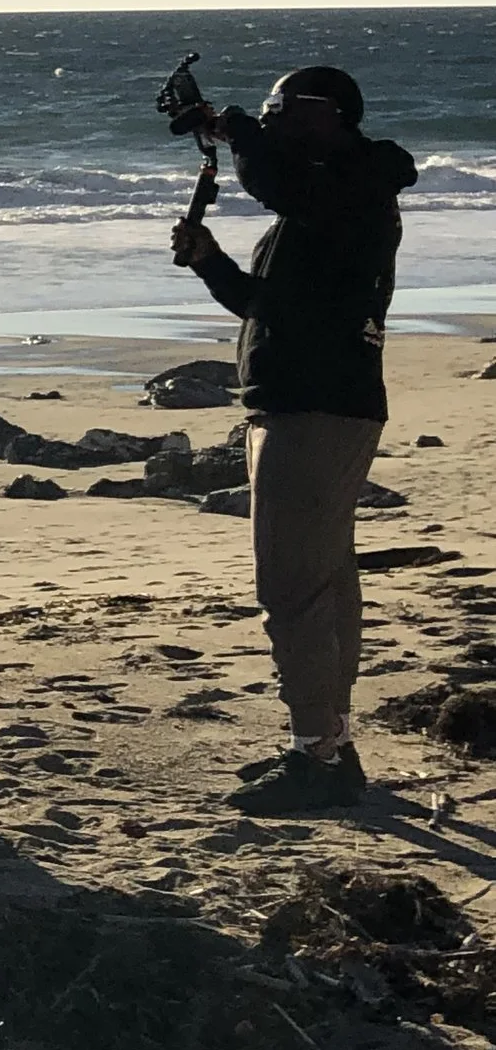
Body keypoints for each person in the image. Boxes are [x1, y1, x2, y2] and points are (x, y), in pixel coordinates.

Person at [173, 65, 416, 817]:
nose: (272, 118)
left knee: (292, 589)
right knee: (325, 581)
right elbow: (265, 306)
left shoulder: (351, 187)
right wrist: (210, 261)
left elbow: (278, 184)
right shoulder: (328, 196)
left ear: (326, 113)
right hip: (303, 405)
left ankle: (317, 752)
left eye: (281, 108)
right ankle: (329, 743)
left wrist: (239, 131)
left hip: (315, 409)